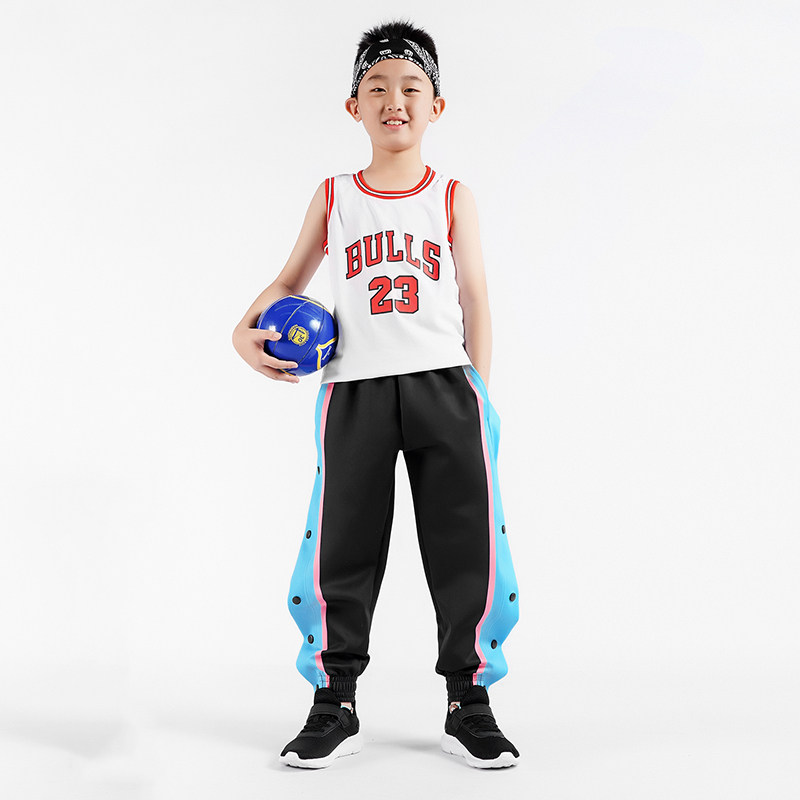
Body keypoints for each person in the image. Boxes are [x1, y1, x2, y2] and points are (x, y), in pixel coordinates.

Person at [232, 18, 520, 770]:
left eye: (411, 87)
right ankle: (334, 698)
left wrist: (481, 393)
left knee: (466, 541)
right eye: (377, 87)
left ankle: (470, 698)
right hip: (353, 390)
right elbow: (289, 280)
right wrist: (242, 329)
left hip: (445, 385)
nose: (395, 100)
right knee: (342, 542)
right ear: (353, 106)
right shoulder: (335, 195)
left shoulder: (451, 196)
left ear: (436, 105)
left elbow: (476, 297)